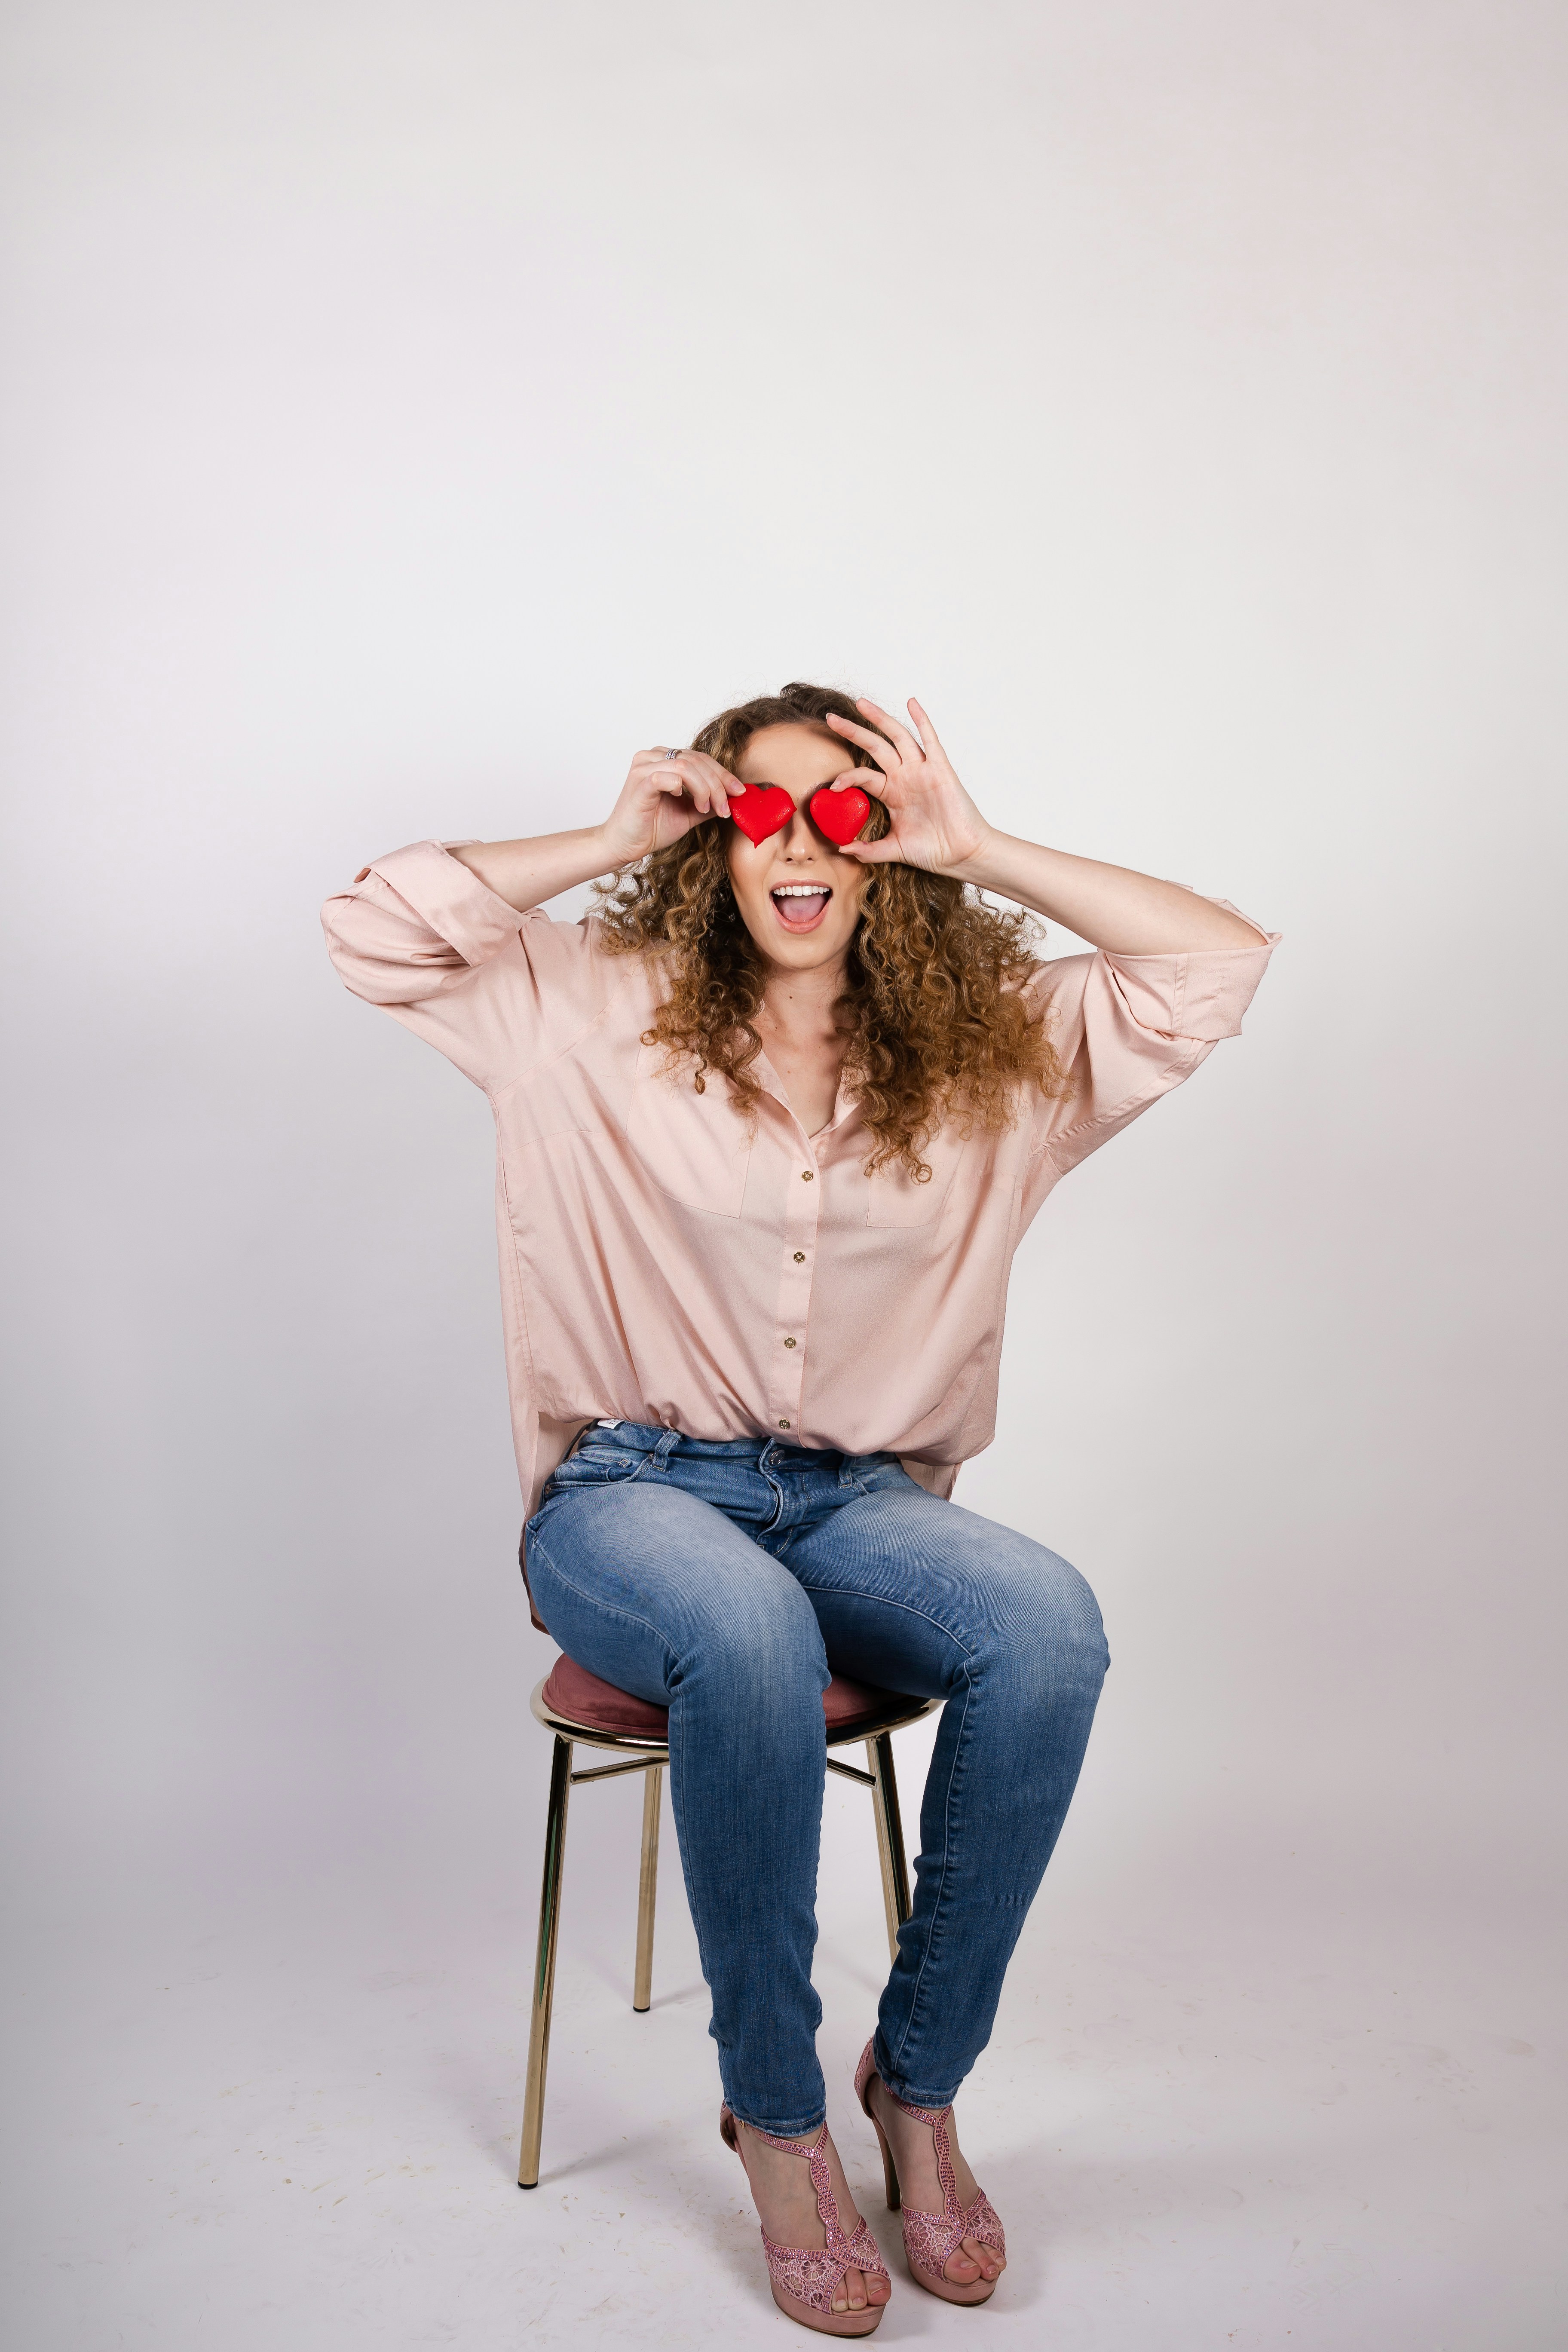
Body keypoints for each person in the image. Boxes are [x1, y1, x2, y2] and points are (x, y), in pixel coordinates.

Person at [322, 683, 1275, 2335]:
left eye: (840, 808)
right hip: (630, 1492)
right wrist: (616, 832)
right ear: (719, 842)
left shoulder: (994, 1058)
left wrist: (984, 843)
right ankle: (775, 2118)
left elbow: (1214, 965)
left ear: (885, 847)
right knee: (747, 1632)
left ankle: (914, 2084)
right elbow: (378, 928)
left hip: (855, 1501)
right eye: (760, 809)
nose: (799, 842)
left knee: (1047, 1626)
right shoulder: (586, 1003)